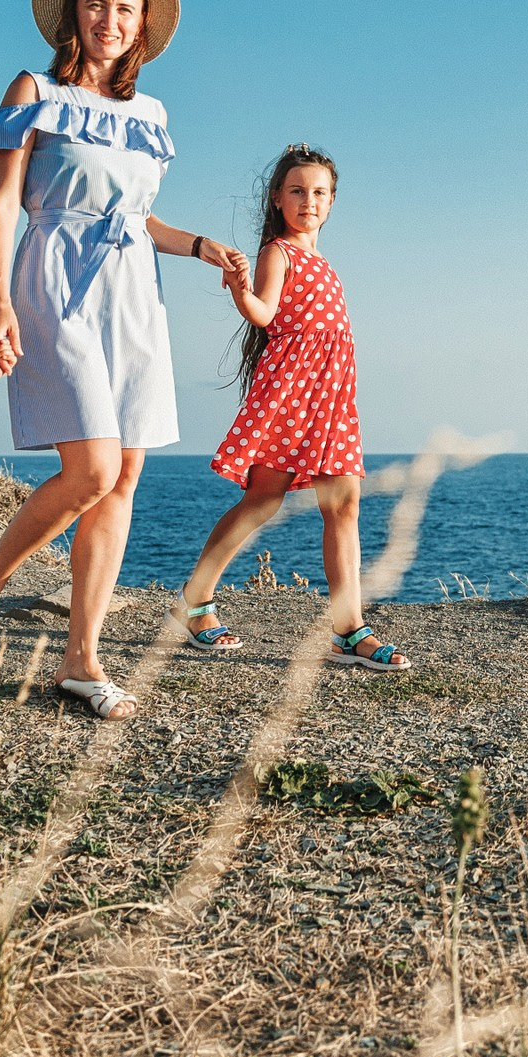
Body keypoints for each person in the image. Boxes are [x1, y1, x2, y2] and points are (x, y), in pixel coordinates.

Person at [0, 0, 246, 720]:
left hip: (133, 292)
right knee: (89, 471)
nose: (110, 21)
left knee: (122, 478)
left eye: (125, 11)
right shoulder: (35, 91)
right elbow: (0, 203)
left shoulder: (151, 116)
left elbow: (135, 215)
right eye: (97, 6)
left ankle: (81, 660)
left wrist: (198, 245)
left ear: (143, 29)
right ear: (73, 16)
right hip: (53, 279)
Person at [179, 144, 410, 671]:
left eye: (320, 193)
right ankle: (195, 603)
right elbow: (263, 313)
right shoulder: (278, 252)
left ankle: (349, 630)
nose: (310, 200)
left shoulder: (326, 263)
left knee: (345, 504)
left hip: (331, 396)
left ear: (332, 203)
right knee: (263, 500)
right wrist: (239, 291)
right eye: (298, 191)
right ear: (278, 199)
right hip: (292, 391)